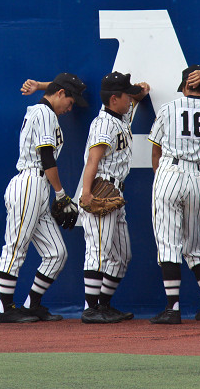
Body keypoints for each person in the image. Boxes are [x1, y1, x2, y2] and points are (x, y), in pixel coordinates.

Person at [0, 73, 87, 323]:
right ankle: (5, 309)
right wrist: (60, 194)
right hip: (29, 183)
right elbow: (47, 155)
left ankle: (31, 305)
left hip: (38, 186)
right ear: (59, 94)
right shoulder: (45, 113)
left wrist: (39, 85)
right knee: (15, 247)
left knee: (56, 253)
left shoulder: (44, 111)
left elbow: (63, 81)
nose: (71, 108)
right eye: (70, 101)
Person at [148, 64, 200, 324]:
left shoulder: (168, 108)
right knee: (195, 246)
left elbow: (155, 151)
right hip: (196, 176)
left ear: (185, 86)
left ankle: (172, 309)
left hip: (170, 172)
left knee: (168, 244)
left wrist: (161, 179)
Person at [79, 72, 149, 324]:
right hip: (100, 189)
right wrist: (86, 194)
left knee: (121, 256)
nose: (130, 99)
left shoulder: (120, 115)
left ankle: (104, 305)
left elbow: (142, 91)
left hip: (116, 193)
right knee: (97, 251)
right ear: (113, 99)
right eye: (125, 96)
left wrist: (135, 90)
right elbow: (93, 160)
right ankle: (90, 308)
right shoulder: (103, 123)